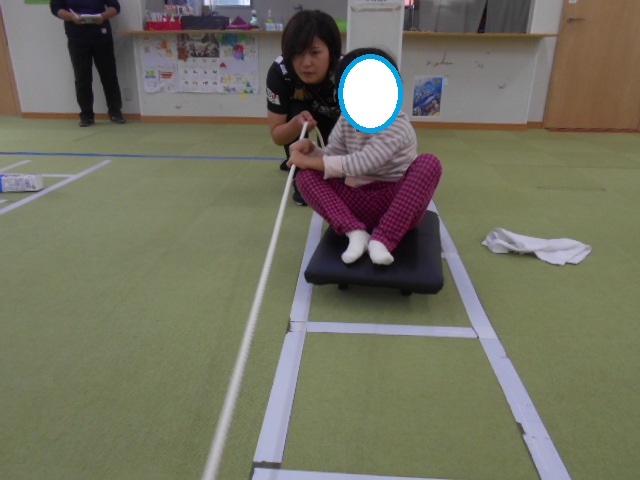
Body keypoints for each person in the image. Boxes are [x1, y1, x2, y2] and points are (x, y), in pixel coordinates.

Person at [287, 48, 443, 266]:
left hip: (398, 205)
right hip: (358, 201)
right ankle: (354, 231)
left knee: (429, 163)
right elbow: (333, 158)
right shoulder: (346, 121)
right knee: (305, 176)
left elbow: (363, 163)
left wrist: (310, 161)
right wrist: (311, 150)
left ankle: (383, 239)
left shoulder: (396, 125)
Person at [266, 10, 342, 205]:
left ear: (331, 51)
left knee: (341, 178)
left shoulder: (345, 73)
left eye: (315, 53)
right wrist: (295, 125)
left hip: (332, 116)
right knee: (296, 110)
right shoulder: (280, 73)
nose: (306, 63)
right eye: (298, 53)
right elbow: (277, 136)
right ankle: (298, 170)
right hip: (299, 115)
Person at [50, 0, 126, 127]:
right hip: (76, 38)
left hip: (102, 36)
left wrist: (103, 16)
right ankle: (86, 115)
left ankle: (115, 112)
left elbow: (115, 7)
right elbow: (56, 8)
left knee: (109, 76)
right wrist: (71, 16)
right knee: (82, 78)